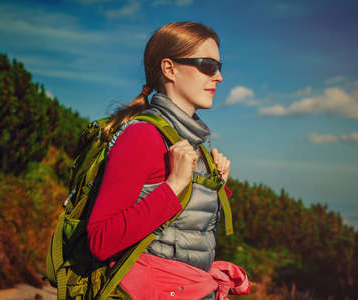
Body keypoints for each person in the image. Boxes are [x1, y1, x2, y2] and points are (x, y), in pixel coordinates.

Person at [86, 22, 248, 299]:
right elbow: (100, 239)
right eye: (208, 66)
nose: (219, 77)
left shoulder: (187, 141)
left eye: (219, 67)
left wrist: (215, 186)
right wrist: (173, 187)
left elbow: (183, 231)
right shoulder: (143, 136)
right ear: (169, 69)